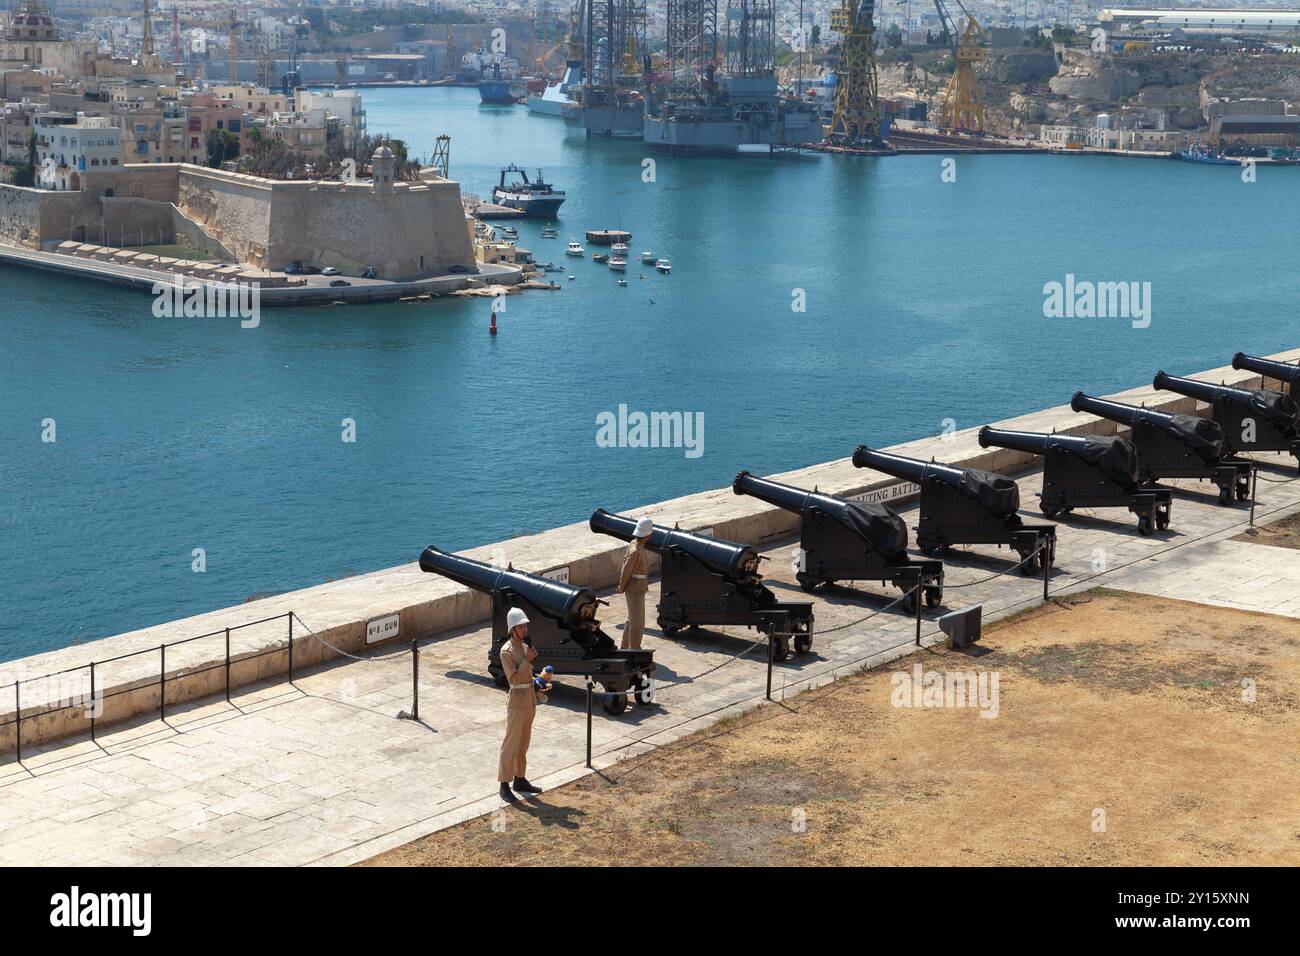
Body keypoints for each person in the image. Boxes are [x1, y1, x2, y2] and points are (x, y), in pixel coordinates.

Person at [498, 607, 543, 802]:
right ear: (512, 629)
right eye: (521, 627)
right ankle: (504, 782)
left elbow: (527, 677)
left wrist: (539, 686)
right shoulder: (506, 651)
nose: (525, 630)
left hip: (529, 700)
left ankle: (520, 778)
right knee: (511, 744)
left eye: (525, 626)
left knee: (523, 743)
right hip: (517, 702)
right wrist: (527, 660)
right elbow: (514, 679)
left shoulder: (524, 647)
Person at [618, 517, 653, 650]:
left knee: (632, 618)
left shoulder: (635, 545)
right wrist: (621, 587)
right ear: (648, 534)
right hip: (635, 588)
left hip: (637, 587)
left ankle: (624, 647)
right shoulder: (635, 551)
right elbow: (626, 571)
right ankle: (634, 649)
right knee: (637, 622)